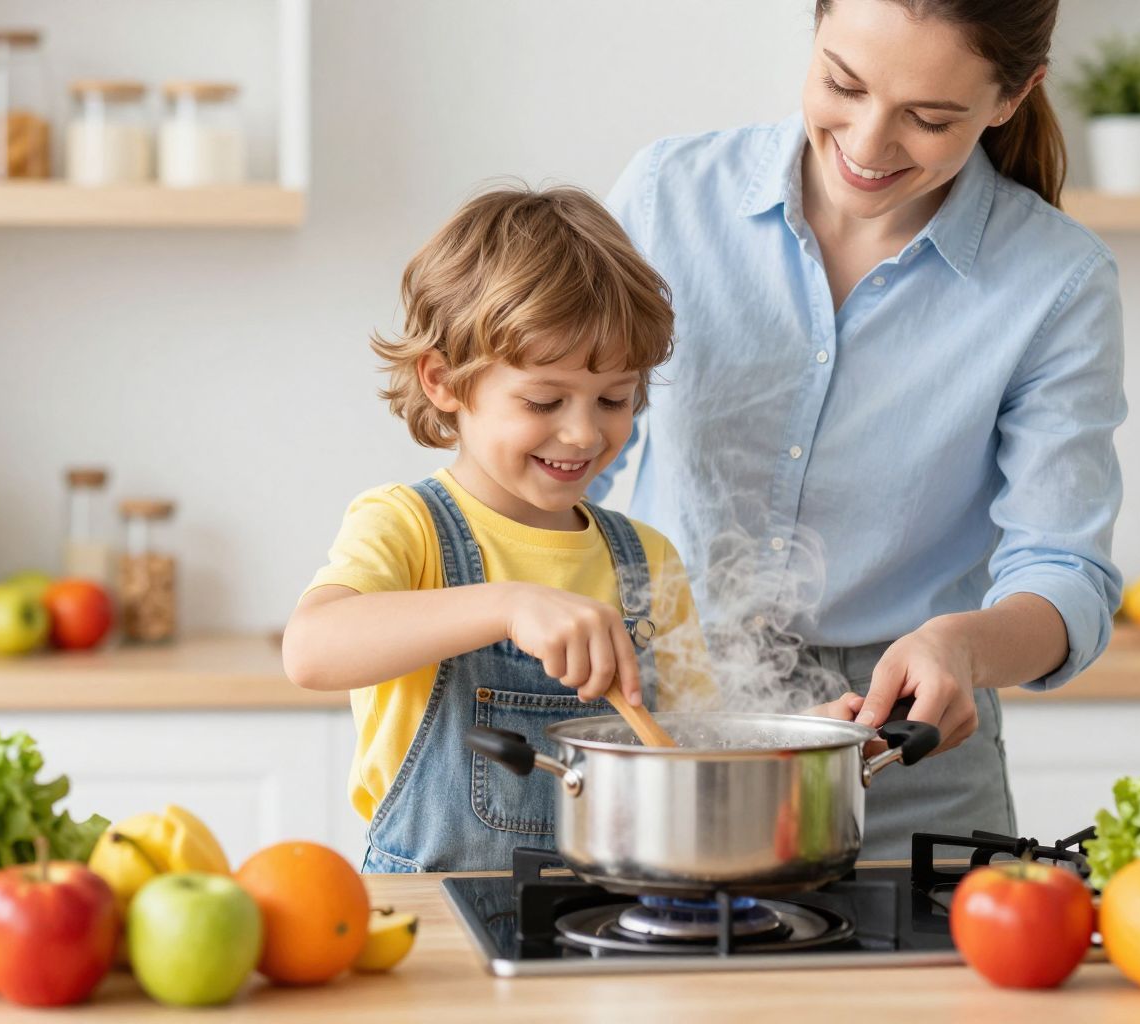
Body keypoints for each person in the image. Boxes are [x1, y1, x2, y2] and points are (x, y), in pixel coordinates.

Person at [592, 0, 1126, 859]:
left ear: (1012, 97)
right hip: (671, 725)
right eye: (843, 84)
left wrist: (962, 647)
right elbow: (556, 460)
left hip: (905, 749)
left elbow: (1066, 572)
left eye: (930, 118)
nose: (869, 144)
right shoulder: (669, 198)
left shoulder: (1058, 283)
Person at [284, 185, 841, 873]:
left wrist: (802, 741)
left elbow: (686, 746)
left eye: (614, 398)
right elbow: (310, 650)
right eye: (545, 401)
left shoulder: (647, 560)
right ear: (443, 382)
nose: (583, 433)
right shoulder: (408, 525)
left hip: (607, 907)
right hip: (434, 911)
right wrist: (507, 605)